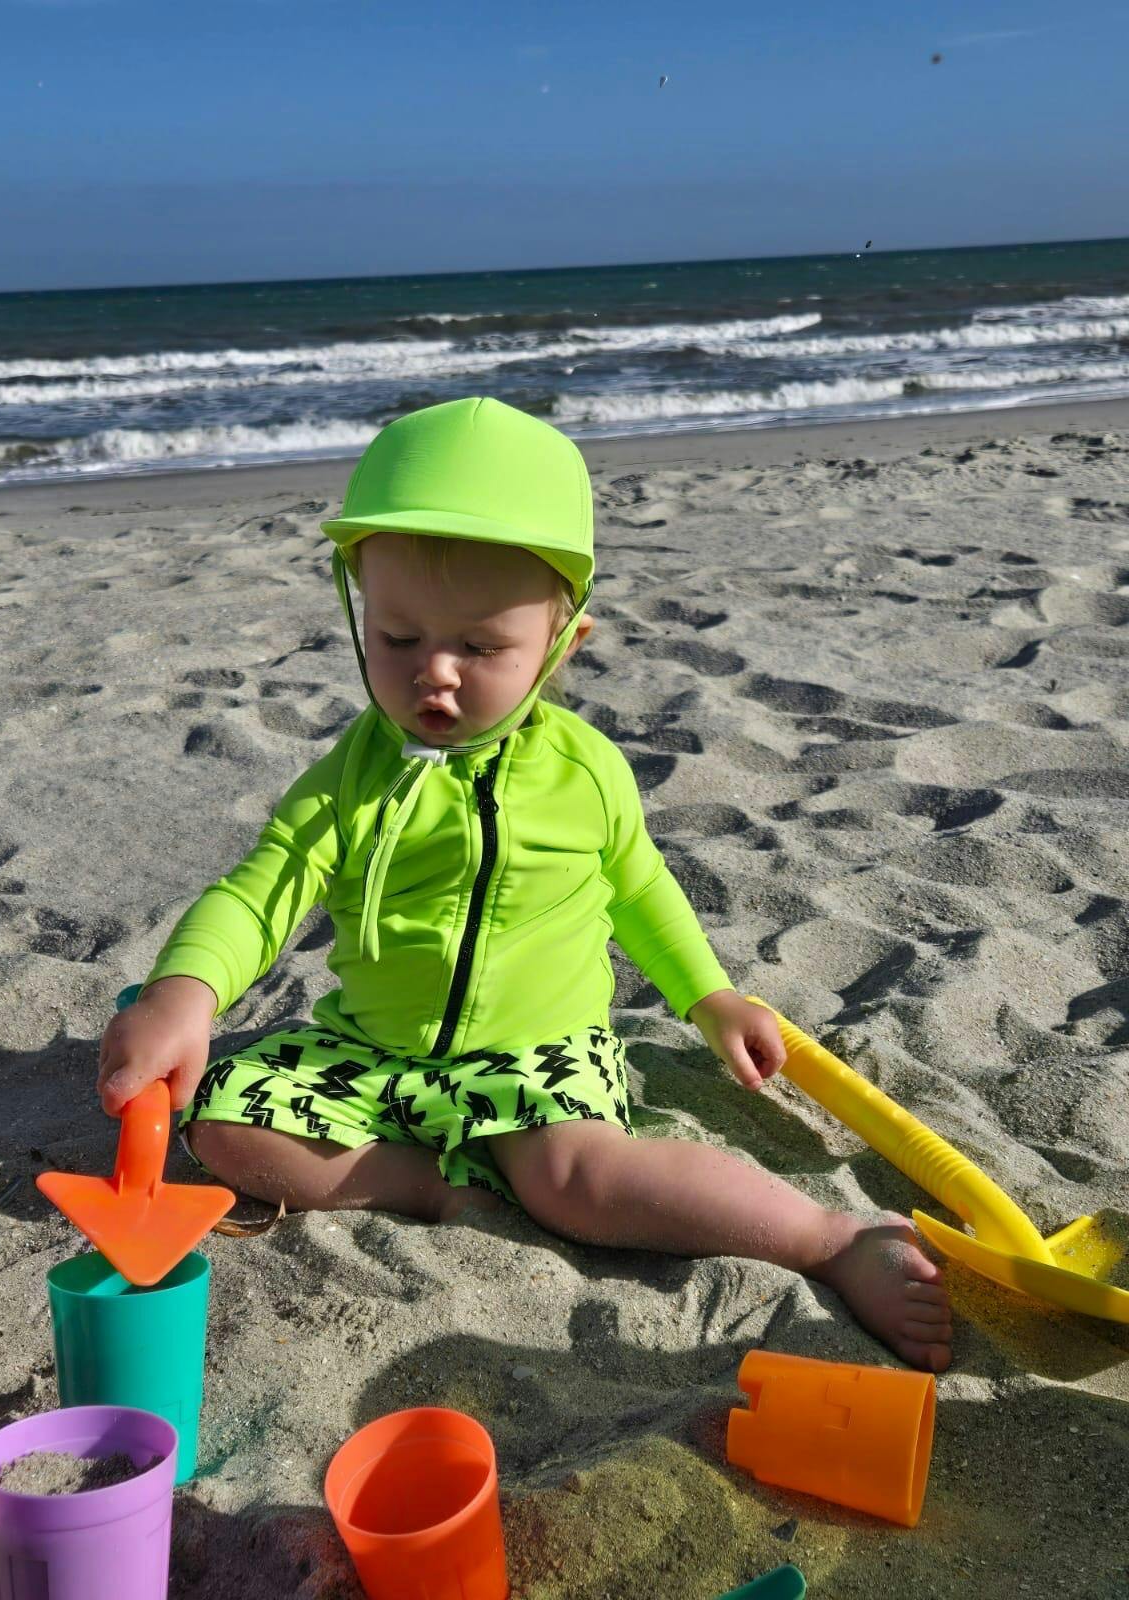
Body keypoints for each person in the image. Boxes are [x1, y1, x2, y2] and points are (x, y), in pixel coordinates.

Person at [97, 397, 951, 1372]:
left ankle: (831, 1240)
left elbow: (639, 885)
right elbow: (262, 891)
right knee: (222, 1124)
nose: (436, 674)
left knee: (578, 1183)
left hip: (533, 1052)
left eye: (480, 647)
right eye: (398, 638)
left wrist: (708, 996)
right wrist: (184, 992)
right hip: (375, 1051)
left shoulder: (583, 772)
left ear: (561, 642)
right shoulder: (353, 777)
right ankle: (431, 1186)